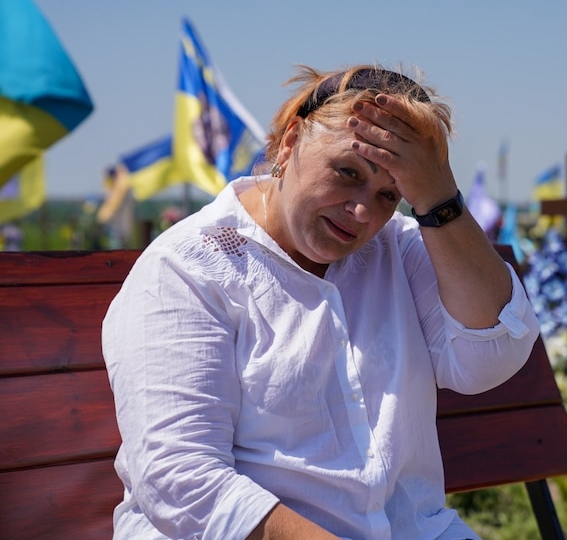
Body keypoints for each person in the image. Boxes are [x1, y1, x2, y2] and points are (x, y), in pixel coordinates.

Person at [102, 64, 541, 540]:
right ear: (290, 142)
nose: (361, 212)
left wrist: (438, 197)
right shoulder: (188, 268)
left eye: (389, 194)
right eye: (347, 172)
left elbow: (489, 358)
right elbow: (183, 479)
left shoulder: (401, 245)